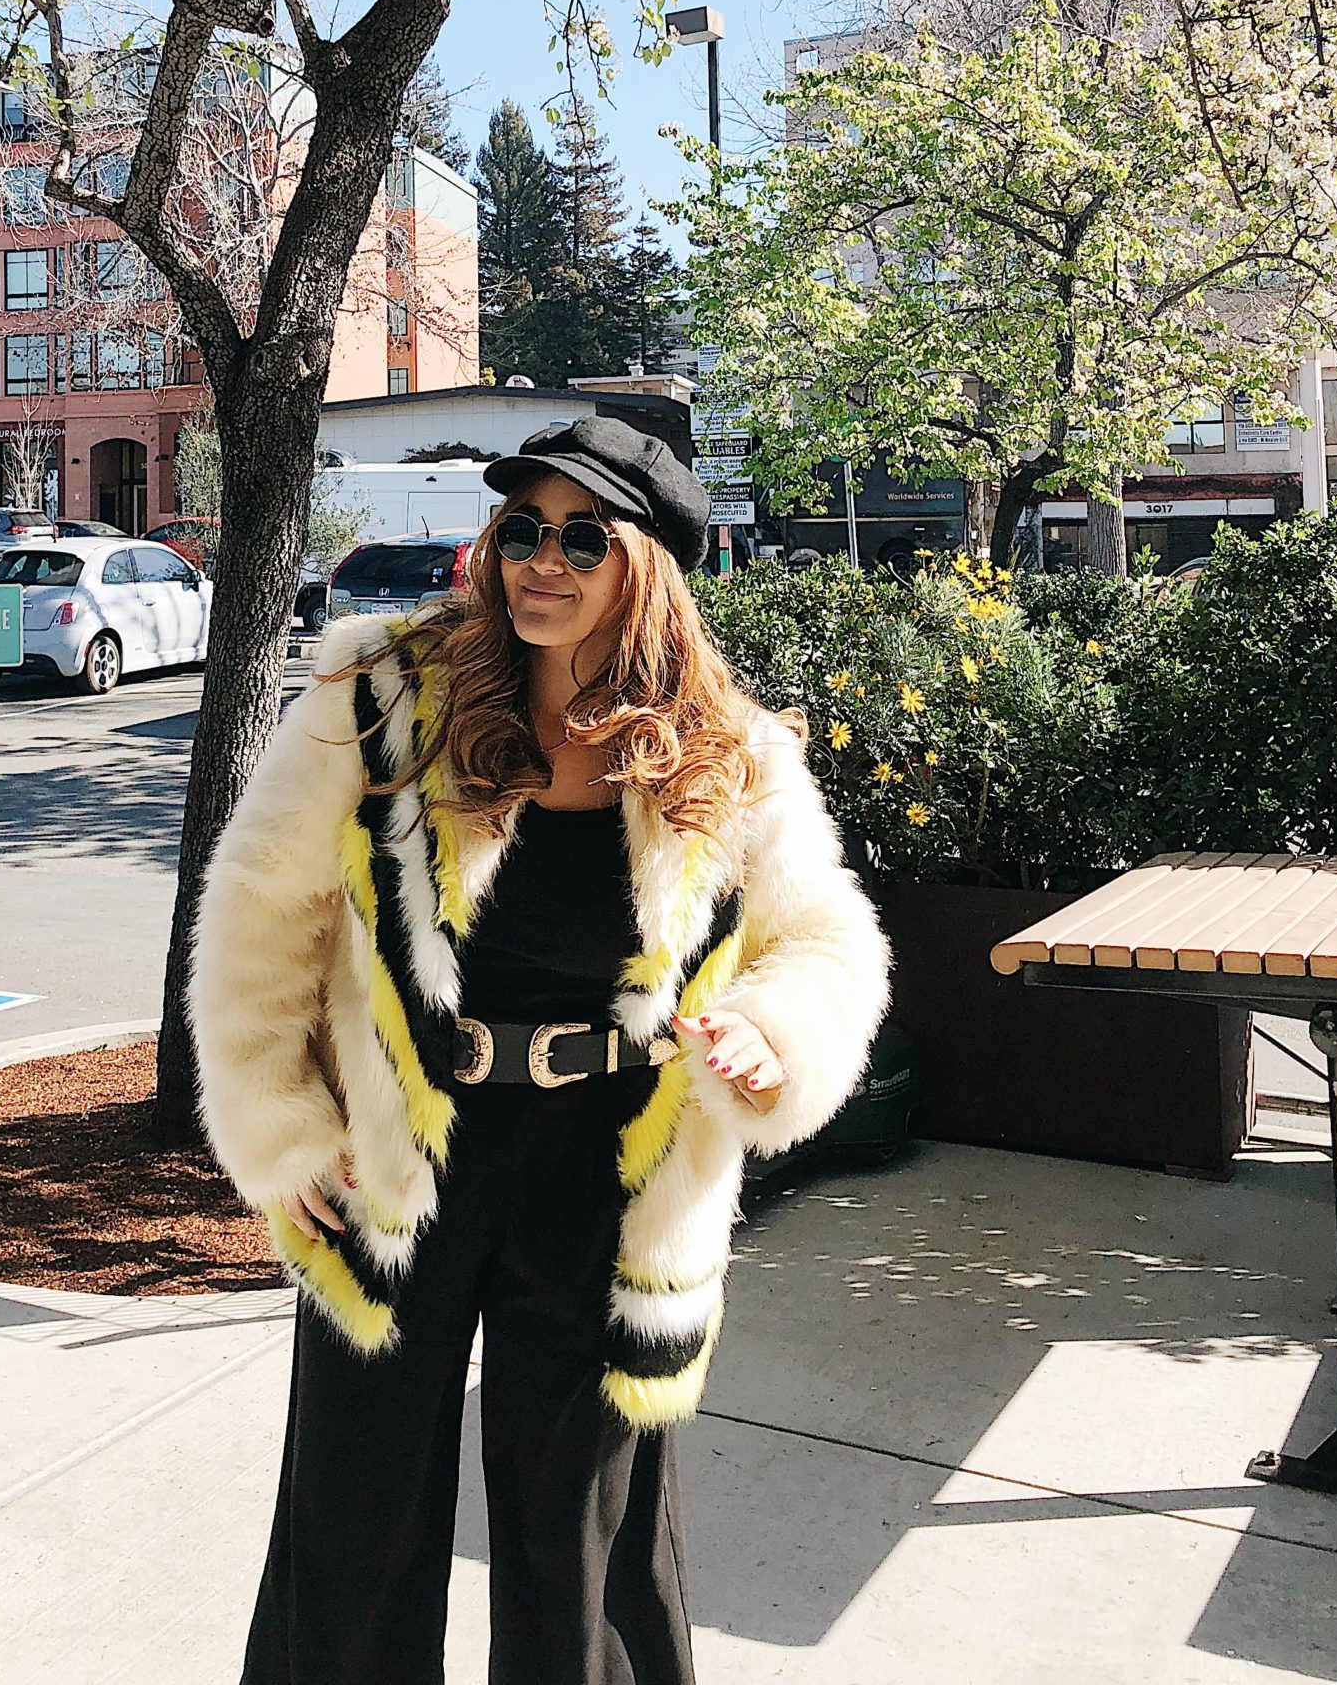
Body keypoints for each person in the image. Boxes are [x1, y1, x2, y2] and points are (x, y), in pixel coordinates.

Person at [192, 417, 890, 1685]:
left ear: (648, 567)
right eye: (522, 529)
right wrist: (280, 1125)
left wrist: (771, 1033)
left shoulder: (731, 752)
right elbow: (261, 909)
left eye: (581, 537)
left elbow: (826, 940)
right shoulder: (384, 694)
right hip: (400, 1154)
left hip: (608, 1172)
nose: (541, 562)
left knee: (586, 1549)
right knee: (353, 1523)